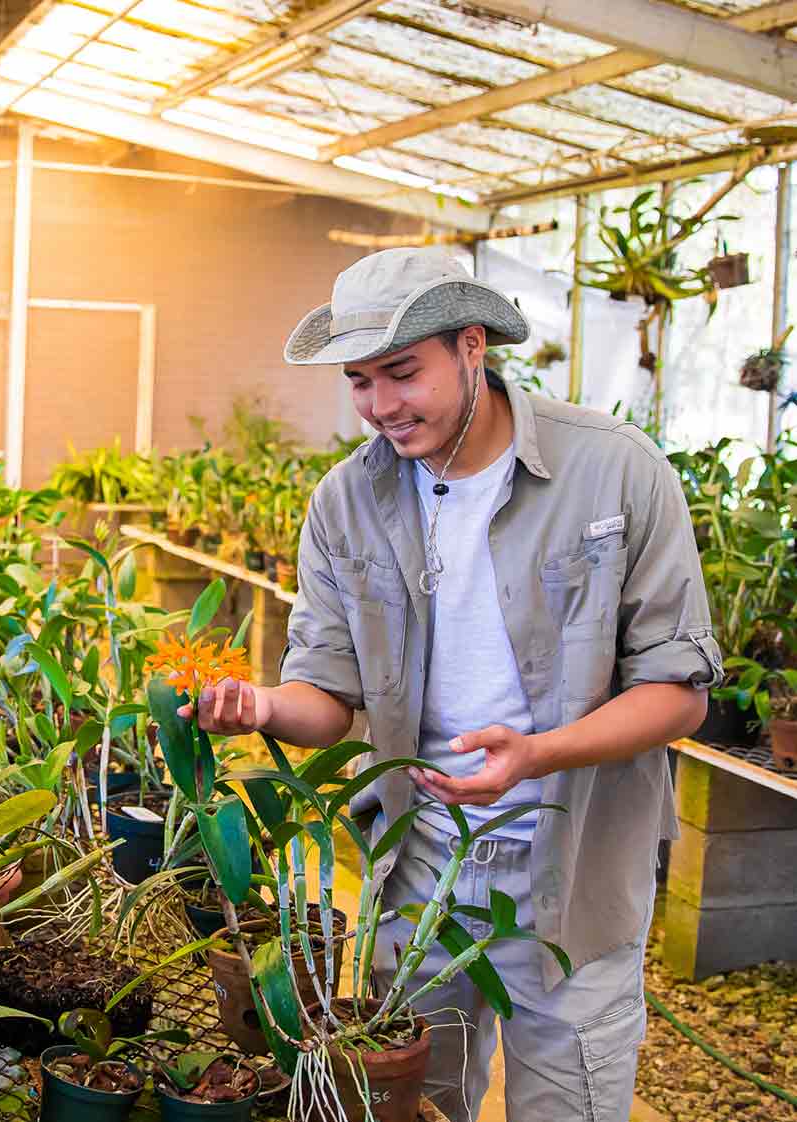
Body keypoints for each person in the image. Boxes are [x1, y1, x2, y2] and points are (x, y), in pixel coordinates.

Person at [190, 248, 720, 1122]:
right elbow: (326, 698)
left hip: (575, 875)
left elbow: (680, 692)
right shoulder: (347, 501)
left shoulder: (615, 471)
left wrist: (538, 754)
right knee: (413, 1104)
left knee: (570, 1105)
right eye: (359, 380)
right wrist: (258, 707)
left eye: (403, 373)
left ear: (472, 345)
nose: (381, 406)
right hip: (417, 866)